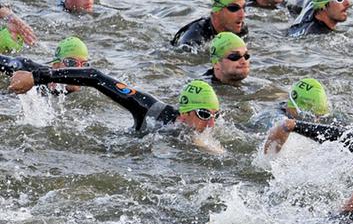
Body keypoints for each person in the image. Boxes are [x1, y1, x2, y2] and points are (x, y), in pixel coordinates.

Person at [4, 63, 225, 153]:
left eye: (216, 115)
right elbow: (95, 76)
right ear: (184, 112)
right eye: (204, 114)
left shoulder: (209, 136)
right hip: (122, 150)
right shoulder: (150, 110)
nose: (211, 123)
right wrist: (37, 76)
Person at [171, 0, 248, 48]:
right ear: (217, 11)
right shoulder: (194, 38)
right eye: (234, 8)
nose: (242, 15)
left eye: (244, 7)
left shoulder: (240, 29)